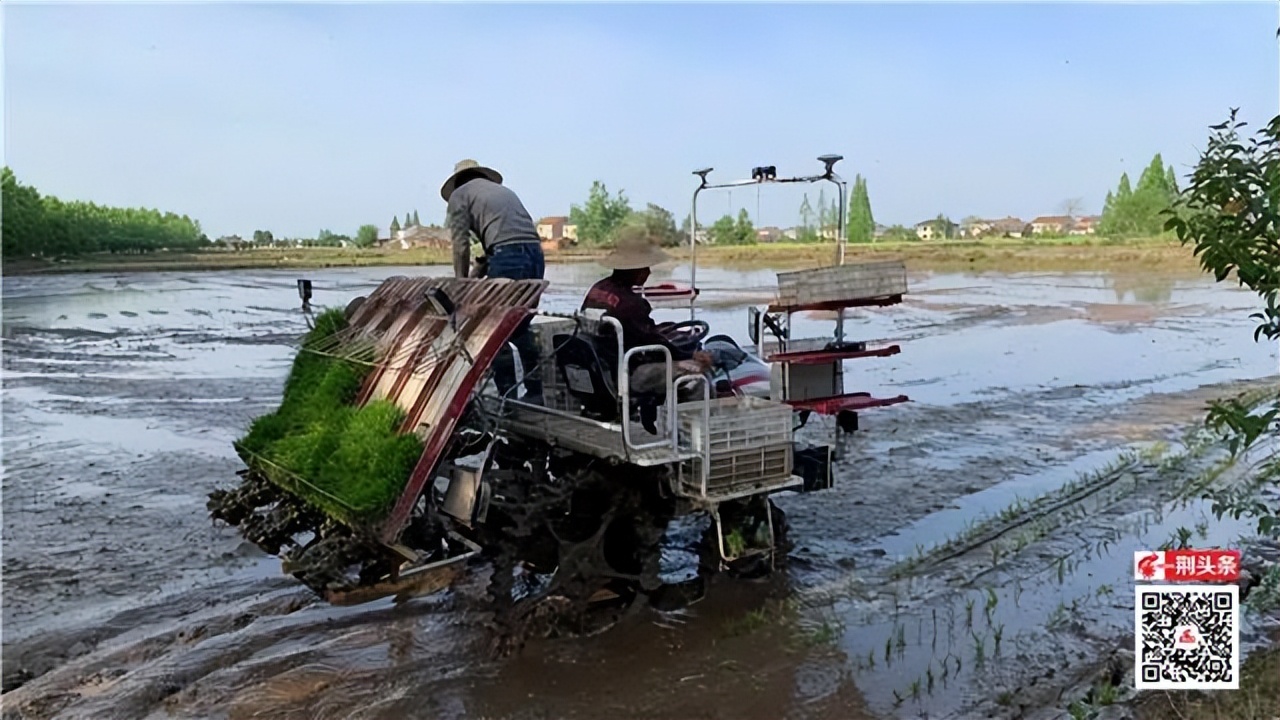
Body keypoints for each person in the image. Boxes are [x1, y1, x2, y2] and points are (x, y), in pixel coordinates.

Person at [441, 158, 544, 402]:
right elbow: (507, 238)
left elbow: (461, 246)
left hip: (509, 255)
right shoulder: (502, 192)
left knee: (492, 328)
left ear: (457, 181)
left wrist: (461, 285)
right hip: (535, 255)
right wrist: (480, 269)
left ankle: (507, 398)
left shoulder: (459, 196)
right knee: (520, 325)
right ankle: (535, 393)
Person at [581, 225, 713, 398]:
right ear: (634, 270)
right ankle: (696, 414)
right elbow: (656, 344)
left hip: (601, 366)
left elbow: (640, 332)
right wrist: (689, 355)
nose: (649, 272)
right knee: (698, 375)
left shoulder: (598, 289)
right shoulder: (630, 303)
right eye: (645, 268)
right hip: (628, 372)